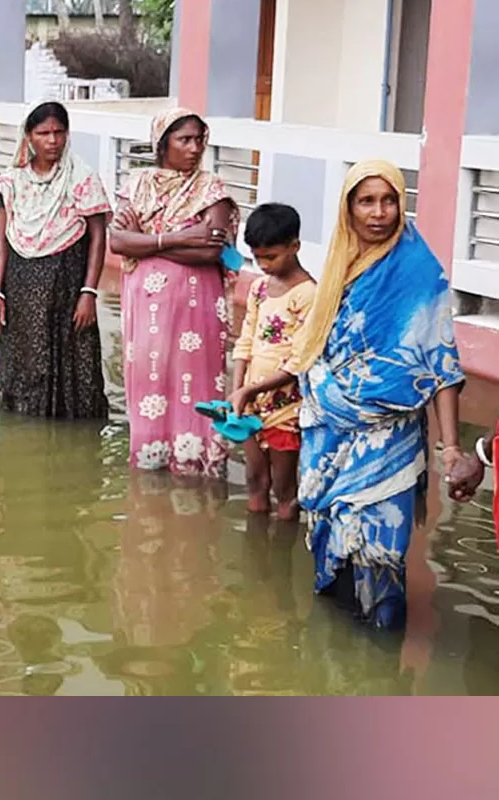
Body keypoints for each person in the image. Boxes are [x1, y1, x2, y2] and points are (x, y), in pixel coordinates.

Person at [280, 162, 468, 629]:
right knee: (331, 539)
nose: (379, 212)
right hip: (329, 427)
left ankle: (383, 654)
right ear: (349, 207)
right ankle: (336, 656)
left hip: (391, 434)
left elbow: (441, 365)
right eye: (366, 201)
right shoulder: (338, 263)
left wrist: (451, 448)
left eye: (389, 200)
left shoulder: (419, 272)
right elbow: (318, 346)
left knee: (383, 552)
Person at [109, 107, 238, 478]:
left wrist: (146, 241)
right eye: (184, 140)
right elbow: (117, 241)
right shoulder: (137, 184)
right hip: (146, 305)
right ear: (162, 144)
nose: (195, 148)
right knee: (150, 377)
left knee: (196, 379)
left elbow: (211, 249)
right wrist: (179, 237)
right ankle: (151, 464)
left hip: (197, 305)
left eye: (199, 139)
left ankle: (198, 466)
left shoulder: (212, 189)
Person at [0, 101, 112, 420]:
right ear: (29, 136)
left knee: (72, 358)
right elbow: (0, 241)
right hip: (21, 288)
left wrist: (89, 293)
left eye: (59, 132)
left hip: (67, 287)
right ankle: (25, 431)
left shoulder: (83, 179)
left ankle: (73, 435)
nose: (53, 140)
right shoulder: (12, 182)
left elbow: (98, 238)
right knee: (25, 361)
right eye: (44, 133)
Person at [228, 202, 316, 521]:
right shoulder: (259, 288)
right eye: (257, 257)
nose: (263, 265)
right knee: (254, 480)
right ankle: (256, 557)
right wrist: (238, 392)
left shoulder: (308, 295)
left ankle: (281, 548)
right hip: (250, 404)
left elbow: (300, 361)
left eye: (271, 257)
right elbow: (245, 340)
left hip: (287, 407)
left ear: (295, 246)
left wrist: (250, 390)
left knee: (284, 488)